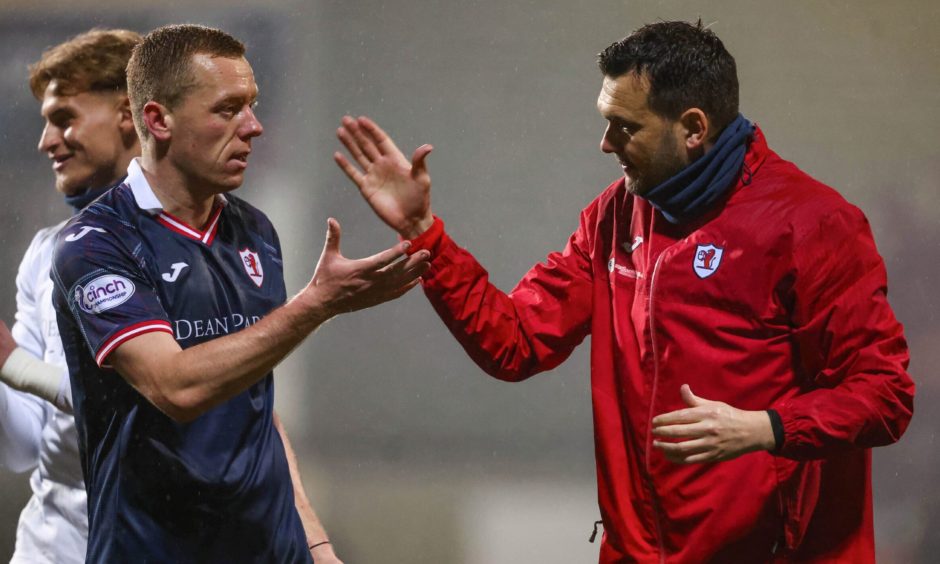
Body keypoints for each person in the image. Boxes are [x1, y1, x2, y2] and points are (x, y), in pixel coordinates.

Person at [334, 20, 915, 563]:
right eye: (606, 121)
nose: (606, 145)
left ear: (693, 128)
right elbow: (515, 342)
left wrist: (766, 427)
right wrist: (423, 233)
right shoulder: (612, 218)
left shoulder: (812, 224)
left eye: (625, 126)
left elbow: (885, 394)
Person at [51, 24, 429, 563]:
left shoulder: (254, 231)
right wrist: (318, 303)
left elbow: (255, 405)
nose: (253, 127)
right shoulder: (96, 244)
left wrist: (317, 543)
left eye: (251, 106)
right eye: (227, 109)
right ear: (158, 120)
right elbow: (175, 388)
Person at [0, 29, 141, 563]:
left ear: (128, 112)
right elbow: (22, 447)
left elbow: (159, 402)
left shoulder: (193, 246)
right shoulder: (45, 252)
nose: (46, 141)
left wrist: (17, 365)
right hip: (51, 548)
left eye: (64, 118)